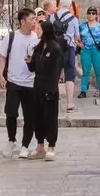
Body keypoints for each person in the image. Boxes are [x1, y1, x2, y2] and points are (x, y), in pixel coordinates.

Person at [0, 8, 41, 156]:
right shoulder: (11, 37)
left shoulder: (37, 39)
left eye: (35, 19)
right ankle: (11, 140)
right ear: (22, 21)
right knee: (11, 113)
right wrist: (1, 76)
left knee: (30, 116)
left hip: (31, 82)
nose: (35, 21)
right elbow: (2, 56)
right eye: (32, 19)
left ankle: (25, 145)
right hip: (14, 81)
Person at [24, 15, 67, 161]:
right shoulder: (38, 47)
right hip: (38, 85)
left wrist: (52, 89)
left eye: (40, 28)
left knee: (50, 117)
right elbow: (33, 68)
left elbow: (56, 71)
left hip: (49, 87)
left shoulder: (55, 48)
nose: (37, 30)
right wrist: (28, 61)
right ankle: (40, 145)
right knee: (38, 116)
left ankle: (51, 146)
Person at [77, 6, 100, 98]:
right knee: (85, 71)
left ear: (96, 15)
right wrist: (78, 44)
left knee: (99, 70)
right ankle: (83, 90)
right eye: (89, 13)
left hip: (96, 50)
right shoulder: (81, 25)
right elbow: (75, 36)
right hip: (85, 49)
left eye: (93, 13)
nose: (91, 15)